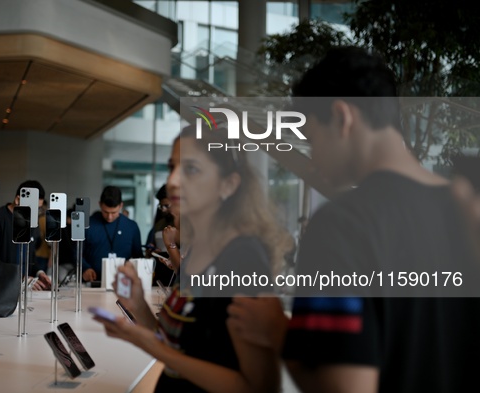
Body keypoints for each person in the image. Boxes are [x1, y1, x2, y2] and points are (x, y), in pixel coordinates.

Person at [230, 46, 480, 393]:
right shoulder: (468, 210)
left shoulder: (342, 224)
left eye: (311, 138)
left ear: (342, 116)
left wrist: (276, 332)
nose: (313, 160)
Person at [92, 124, 291, 393]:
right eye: (172, 166)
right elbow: (178, 342)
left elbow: (256, 386)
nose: (173, 180)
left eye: (191, 169)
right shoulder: (199, 248)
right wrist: (138, 306)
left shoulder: (242, 257)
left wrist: (155, 349)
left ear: (228, 184)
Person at [0, 180, 51, 290]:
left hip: (24, 290)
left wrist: (39, 273)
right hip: (0, 288)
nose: (35, 212)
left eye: (38, 208)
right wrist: (19, 277)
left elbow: (30, 257)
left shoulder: (31, 223)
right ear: (18, 200)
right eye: (32, 207)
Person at [81, 186, 143, 282]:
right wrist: (85, 268)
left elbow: (138, 256)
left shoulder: (131, 227)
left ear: (121, 206)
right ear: (100, 204)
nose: (109, 217)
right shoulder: (87, 224)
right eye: (105, 212)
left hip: (123, 282)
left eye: (114, 212)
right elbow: (76, 252)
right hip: (92, 281)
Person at [144, 185, 176, 285]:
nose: (163, 210)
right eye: (161, 206)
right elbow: (149, 250)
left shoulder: (184, 224)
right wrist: (151, 251)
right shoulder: (158, 224)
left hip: (177, 277)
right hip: (160, 276)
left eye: (166, 206)